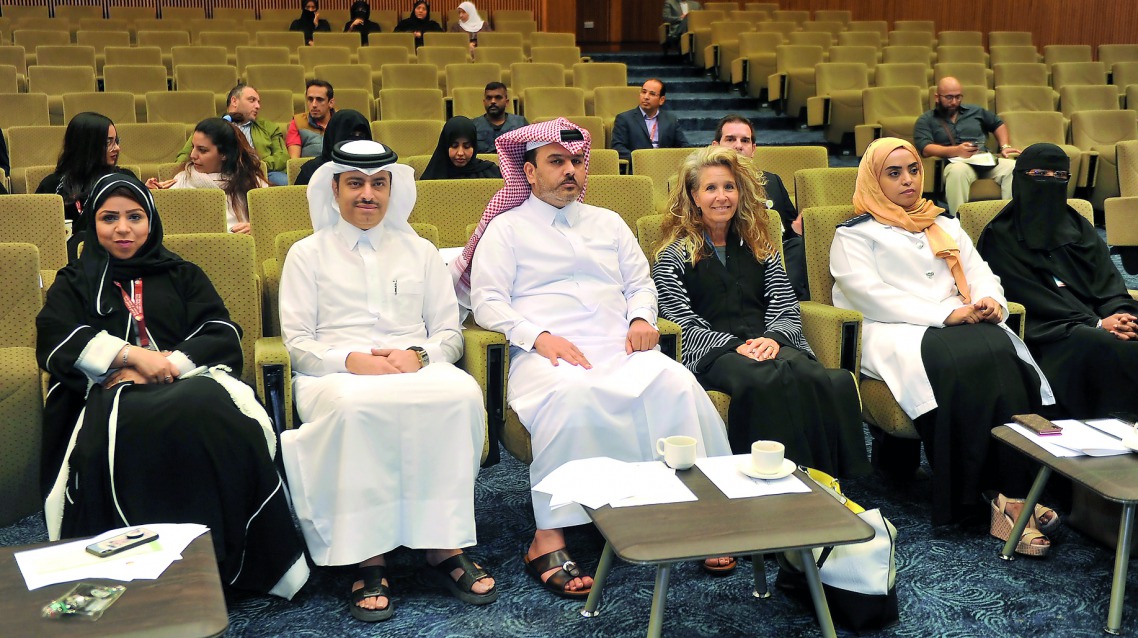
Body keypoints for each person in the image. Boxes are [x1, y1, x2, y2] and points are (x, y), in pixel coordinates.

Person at [462, 118, 732, 598]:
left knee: (673, 381)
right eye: (557, 162)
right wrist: (537, 336)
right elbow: (487, 301)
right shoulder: (505, 229)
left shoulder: (608, 222)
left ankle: (699, 511)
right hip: (549, 355)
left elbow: (639, 284)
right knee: (574, 395)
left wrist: (641, 319)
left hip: (618, 345)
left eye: (577, 162)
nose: (571, 171)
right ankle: (548, 536)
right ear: (527, 173)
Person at [36, 173, 309, 599]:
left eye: (135, 216)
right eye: (109, 218)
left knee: (212, 413)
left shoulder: (183, 273)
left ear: (151, 220)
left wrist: (163, 364)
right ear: (92, 222)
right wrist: (128, 355)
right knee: (131, 426)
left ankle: (223, 561)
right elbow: (55, 339)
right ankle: (142, 569)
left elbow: (221, 331)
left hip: (191, 383)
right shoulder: (74, 281)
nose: (123, 228)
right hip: (112, 395)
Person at [279, 140, 494, 621]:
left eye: (378, 184)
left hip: (412, 365)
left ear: (392, 189)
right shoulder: (305, 254)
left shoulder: (419, 251)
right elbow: (297, 344)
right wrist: (353, 361)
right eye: (355, 184)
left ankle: (443, 543)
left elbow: (449, 335)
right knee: (355, 409)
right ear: (334, 189)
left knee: (460, 394)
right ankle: (366, 554)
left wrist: (418, 355)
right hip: (334, 373)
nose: (368, 195)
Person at [830, 138, 1057, 555]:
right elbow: (868, 295)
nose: (908, 181)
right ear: (873, 179)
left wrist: (991, 300)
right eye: (893, 173)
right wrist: (944, 315)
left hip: (960, 317)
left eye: (913, 170)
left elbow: (981, 273)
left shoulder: (944, 223)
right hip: (897, 329)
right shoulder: (855, 234)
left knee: (1002, 353)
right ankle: (979, 498)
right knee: (958, 361)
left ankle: (1013, 492)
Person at [653, 145, 868, 476]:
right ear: (694, 196)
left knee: (818, 375)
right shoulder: (674, 254)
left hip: (768, 342)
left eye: (729, 187)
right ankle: (767, 477)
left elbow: (783, 302)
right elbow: (678, 317)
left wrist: (772, 338)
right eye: (710, 188)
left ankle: (822, 478)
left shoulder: (759, 247)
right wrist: (733, 345)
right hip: (714, 354)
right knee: (762, 380)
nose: (721, 196)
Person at [977, 143, 1138, 419]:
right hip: (1051, 332)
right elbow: (1028, 296)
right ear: (1021, 177)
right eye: (1041, 174)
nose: (1051, 182)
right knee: (1111, 347)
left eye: (1060, 177)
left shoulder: (1077, 226)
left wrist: (1119, 314)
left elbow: (1109, 280)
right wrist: (1096, 323)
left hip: (1099, 320)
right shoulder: (1001, 234)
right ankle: (1127, 437)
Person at [711, 114, 808, 300]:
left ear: (753, 149)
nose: (738, 145)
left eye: (745, 141)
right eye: (730, 139)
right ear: (715, 146)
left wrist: (797, 230)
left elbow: (789, 233)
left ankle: (781, 302)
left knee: (799, 246)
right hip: (731, 259)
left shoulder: (772, 181)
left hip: (774, 264)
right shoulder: (705, 186)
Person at [914, 76, 1020, 215]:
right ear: (937, 97)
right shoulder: (926, 120)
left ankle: (1008, 220)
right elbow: (925, 148)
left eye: (958, 97)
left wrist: (1005, 146)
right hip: (958, 163)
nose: (954, 102)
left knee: (1013, 167)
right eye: (949, 97)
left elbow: (998, 124)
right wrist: (956, 150)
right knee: (956, 172)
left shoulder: (976, 111)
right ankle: (959, 223)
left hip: (985, 160)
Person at [151, 118, 268, 235]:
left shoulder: (252, 182)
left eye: (202, 150)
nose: (192, 155)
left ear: (224, 154)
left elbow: (269, 224)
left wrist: (256, 228)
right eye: (193, 147)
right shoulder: (181, 180)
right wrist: (149, 196)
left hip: (238, 249)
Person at [36, 112, 137, 232]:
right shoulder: (52, 185)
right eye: (108, 142)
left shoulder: (123, 179)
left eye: (116, 141)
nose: (117, 148)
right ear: (86, 146)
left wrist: (144, 191)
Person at [175, 84, 289, 186]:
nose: (258, 106)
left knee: (282, 181)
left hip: (263, 172)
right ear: (234, 101)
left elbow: (282, 157)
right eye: (252, 100)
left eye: (259, 102)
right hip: (219, 172)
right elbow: (185, 155)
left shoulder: (269, 127)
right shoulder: (211, 128)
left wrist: (256, 164)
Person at [611, 79, 688, 163]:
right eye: (644, 92)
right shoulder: (624, 119)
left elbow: (683, 146)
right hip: (638, 168)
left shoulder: (670, 119)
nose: (646, 97)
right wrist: (641, 160)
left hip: (664, 166)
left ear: (661, 100)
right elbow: (617, 147)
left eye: (652, 94)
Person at [296, 109, 372, 187]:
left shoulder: (376, 170)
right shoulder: (312, 172)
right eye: (351, 135)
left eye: (361, 135)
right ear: (334, 135)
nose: (356, 141)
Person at [422, 116, 500, 180]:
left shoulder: (490, 173)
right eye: (454, 146)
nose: (460, 153)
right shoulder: (432, 176)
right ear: (445, 146)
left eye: (466, 146)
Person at [287, 79, 337, 160]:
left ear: (331, 103)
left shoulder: (343, 121)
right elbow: (294, 161)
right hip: (309, 170)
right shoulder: (298, 122)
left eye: (319, 100)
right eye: (310, 99)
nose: (314, 105)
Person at [472, 82, 527, 154]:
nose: (493, 101)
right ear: (484, 102)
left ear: (506, 102)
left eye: (498, 97)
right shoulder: (473, 126)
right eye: (489, 98)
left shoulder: (521, 123)